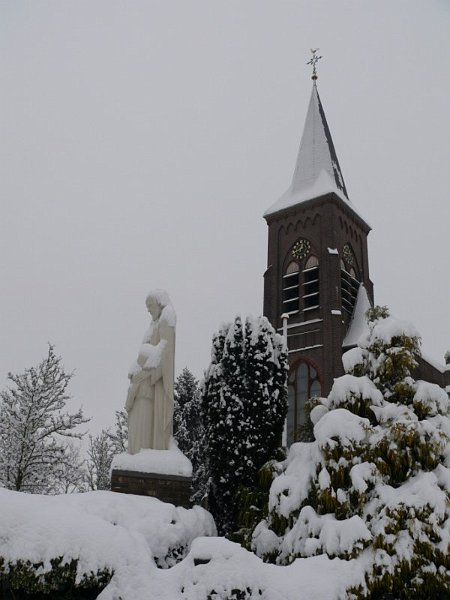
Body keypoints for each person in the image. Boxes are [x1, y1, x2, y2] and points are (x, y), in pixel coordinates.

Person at [125, 290, 176, 453]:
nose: (148, 310)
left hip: (149, 390)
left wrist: (142, 374)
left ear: (159, 303)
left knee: (142, 433)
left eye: (150, 306)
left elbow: (163, 356)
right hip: (142, 388)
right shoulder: (154, 324)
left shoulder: (166, 318)